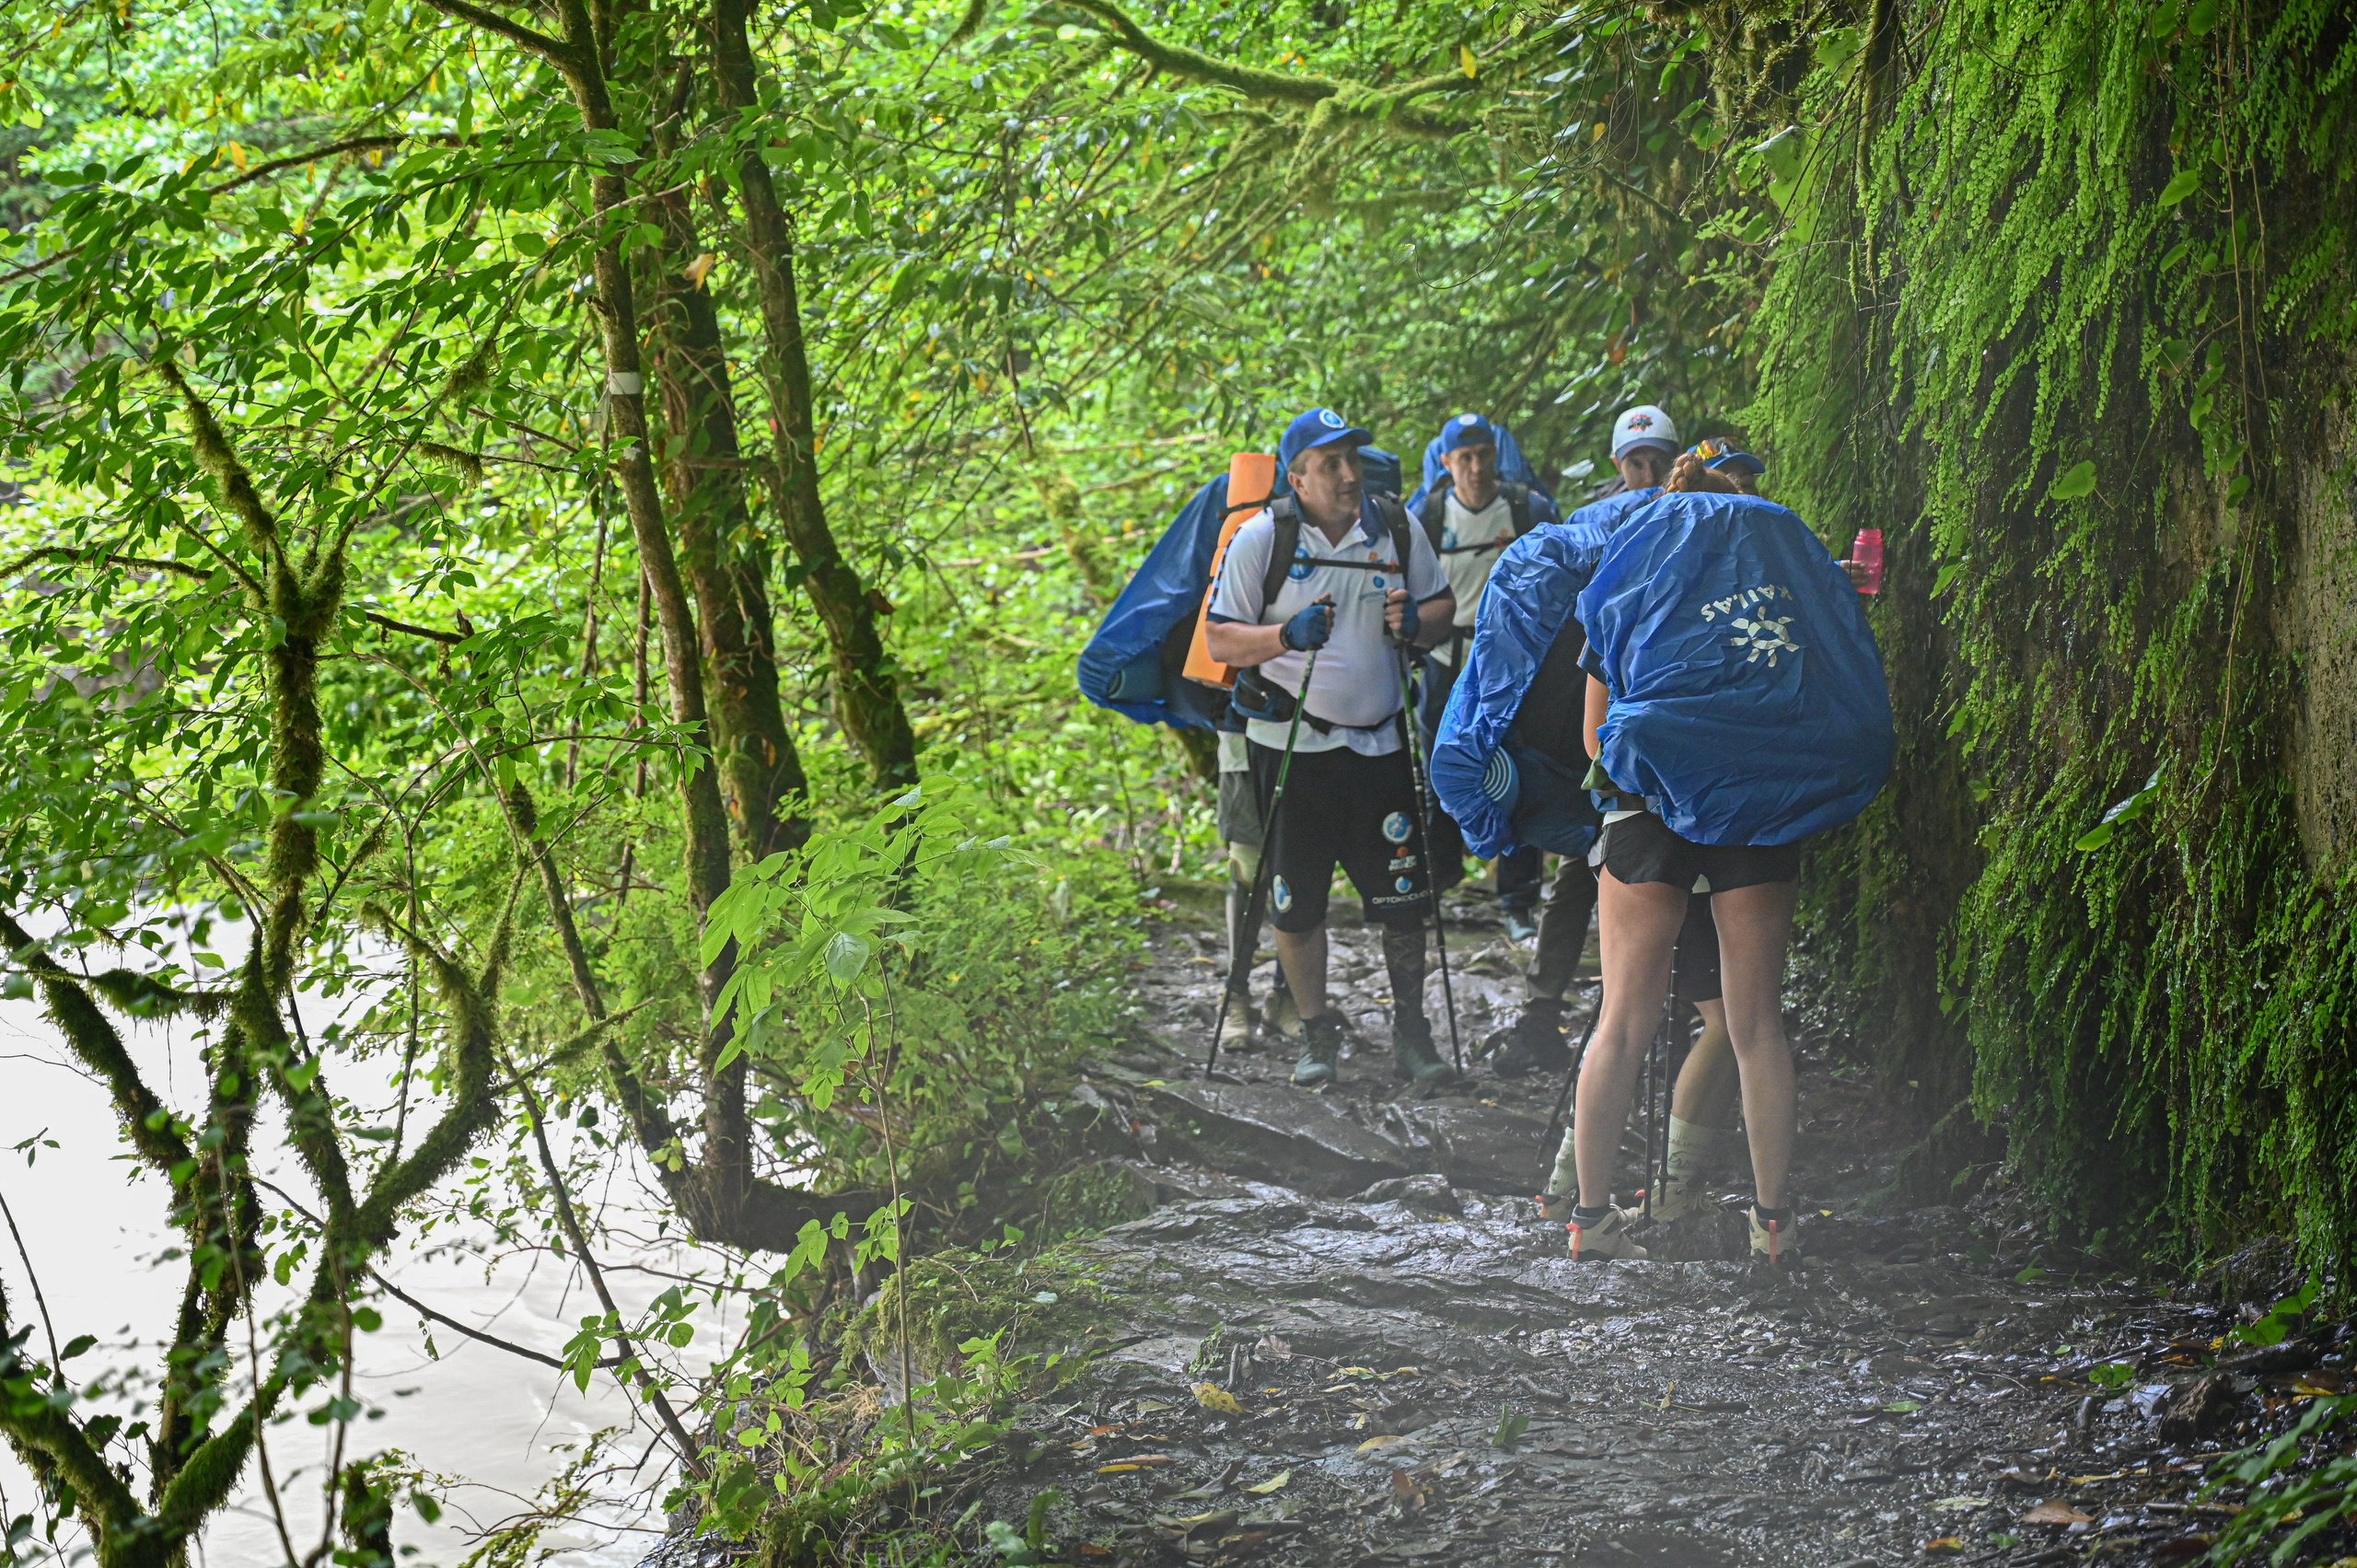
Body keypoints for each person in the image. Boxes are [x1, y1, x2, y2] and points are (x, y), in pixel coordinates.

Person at [1559, 445, 1865, 1265]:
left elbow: (1593, 736)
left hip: (1646, 811)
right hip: (1755, 810)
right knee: (1757, 1027)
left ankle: (1591, 1221)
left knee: (1622, 1022)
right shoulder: (1778, 592)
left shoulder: (1634, 580)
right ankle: (1773, 1224)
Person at [1203, 409, 1458, 1088]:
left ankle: (1413, 1031)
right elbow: (1221, 639)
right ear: (1297, 477)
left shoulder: (1397, 528)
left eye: (1353, 458)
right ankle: (1317, 1035)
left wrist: (1415, 624)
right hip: (1291, 747)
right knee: (1295, 899)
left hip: (1381, 747)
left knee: (1405, 899)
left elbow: (1442, 609)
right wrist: (1286, 636)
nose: (1350, 474)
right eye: (1331, 463)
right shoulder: (1265, 539)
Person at [1491, 402, 1684, 1077]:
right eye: (1637, 461)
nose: (1648, 472)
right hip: (1600, 729)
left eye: (1660, 460)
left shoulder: (1692, 519)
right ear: (1616, 464)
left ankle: (1671, 1021)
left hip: (1668, 727)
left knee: (1669, 875)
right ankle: (1545, 1011)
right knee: (1583, 867)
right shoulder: (1589, 530)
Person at [1414, 413, 1563, 942]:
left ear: (1495, 456)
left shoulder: (1526, 509)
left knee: (1519, 779)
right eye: (1465, 459)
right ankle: (1433, 888)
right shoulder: (1427, 517)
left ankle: (1518, 902)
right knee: (1440, 778)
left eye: (1483, 456)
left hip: (1511, 670)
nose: (1476, 469)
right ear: (1447, 462)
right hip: (1443, 665)